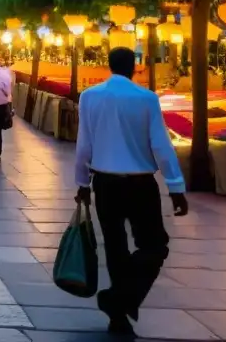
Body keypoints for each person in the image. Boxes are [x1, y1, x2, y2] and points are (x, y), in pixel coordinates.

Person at [75, 47, 188, 336]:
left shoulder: (89, 97)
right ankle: (119, 301)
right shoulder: (146, 98)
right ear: (134, 66)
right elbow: (160, 145)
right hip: (140, 184)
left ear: (108, 65)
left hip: (104, 182)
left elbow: (84, 145)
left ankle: (118, 305)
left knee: (115, 246)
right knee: (154, 245)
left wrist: (82, 183)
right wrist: (175, 185)